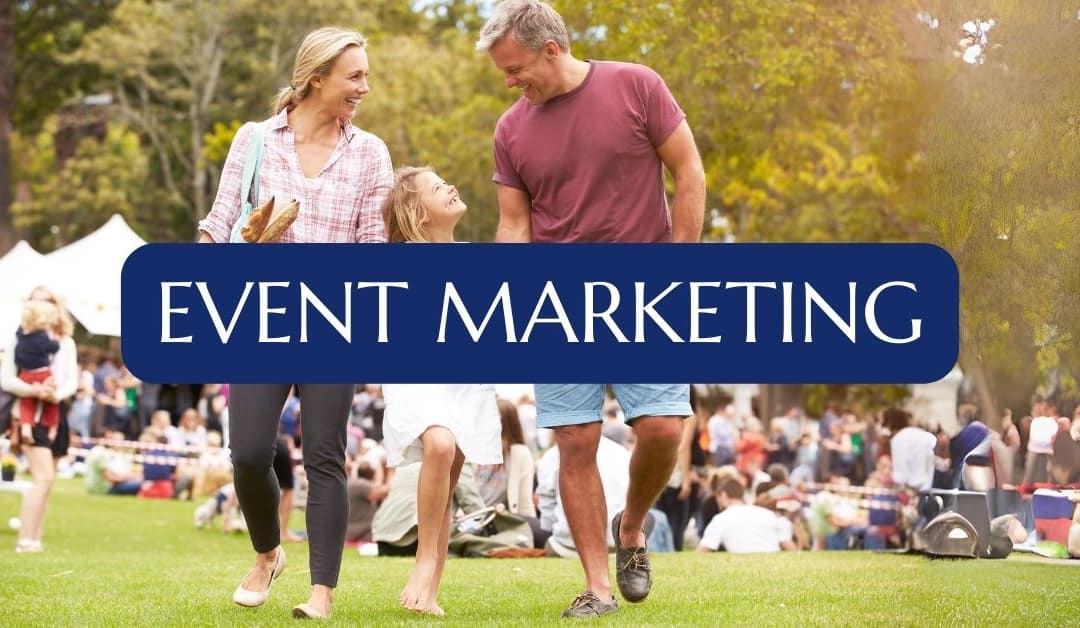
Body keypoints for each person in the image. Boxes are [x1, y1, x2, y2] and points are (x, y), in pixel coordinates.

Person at [477, 0, 706, 617]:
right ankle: (597, 587)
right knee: (574, 442)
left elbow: (687, 170)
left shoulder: (636, 85)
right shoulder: (511, 129)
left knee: (661, 429)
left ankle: (630, 527)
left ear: (552, 49)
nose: (510, 81)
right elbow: (513, 224)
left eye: (515, 67)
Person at [196, 26, 393, 620]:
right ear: (315, 80)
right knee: (249, 452)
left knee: (325, 457)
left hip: (333, 325)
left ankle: (321, 593)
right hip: (261, 319)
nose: (364, 86)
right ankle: (267, 553)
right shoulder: (256, 140)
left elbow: (374, 248)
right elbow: (217, 222)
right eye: (353, 76)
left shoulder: (370, 153)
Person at [380, 166, 503, 615]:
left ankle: (430, 591)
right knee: (439, 444)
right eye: (437, 187)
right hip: (416, 376)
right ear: (417, 211)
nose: (450, 186)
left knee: (448, 478)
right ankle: (424, 557)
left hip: (466, 383)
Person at [1, 286, 78, 553]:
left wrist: (57, 394)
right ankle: (25, 539)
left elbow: (72, 379)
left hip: (56, 412)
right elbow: (7, 379)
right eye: (35, 301)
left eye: (46, 301)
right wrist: (34, 390)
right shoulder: (18, 339)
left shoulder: (65, 342)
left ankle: (36, 537)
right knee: (42, 478)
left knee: (48, 481)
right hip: (29, 414)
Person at [13, 301, 62, 444]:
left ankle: (26, 428)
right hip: (43, 373)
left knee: (26, 403)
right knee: (51, 402)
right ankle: (52, 428)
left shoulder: (21, 333)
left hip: (26, 374)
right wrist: (56, 341)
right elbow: (53, 348)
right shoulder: (42, 336)